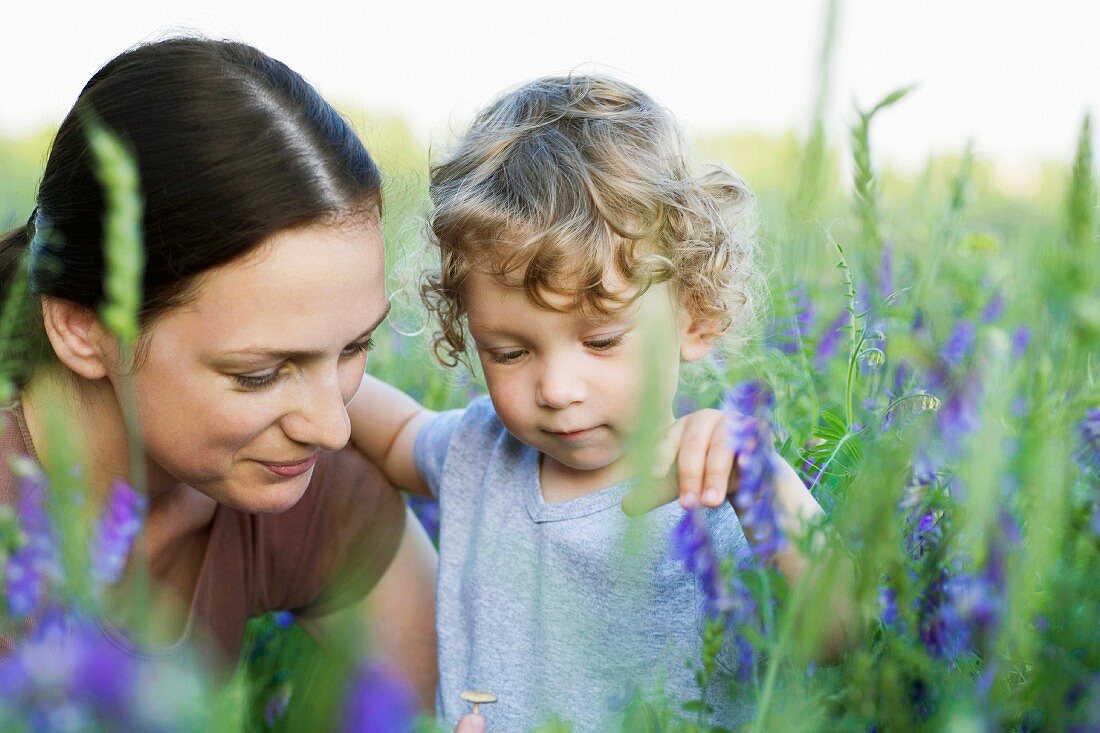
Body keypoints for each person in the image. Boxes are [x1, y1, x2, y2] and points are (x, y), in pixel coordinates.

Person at [348, 74, 855, 732]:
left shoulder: (715, 480)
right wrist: (299, 372)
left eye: (602, 339)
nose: (557, 389)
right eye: (509, 351)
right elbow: (395, 437)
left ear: (695, 316)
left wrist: (765, 484)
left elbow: (842, 632)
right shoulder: (480, 450)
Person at [0, 36, 444, 715]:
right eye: (262, 373)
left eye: (355, 347)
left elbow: (454, 698)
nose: (331, 425)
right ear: (82, 329)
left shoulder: (295, 474)